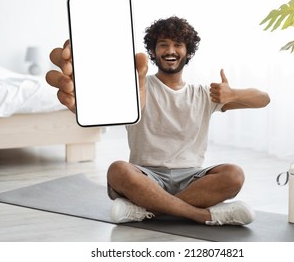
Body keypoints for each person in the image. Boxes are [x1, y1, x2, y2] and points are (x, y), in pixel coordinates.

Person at [46, 16, 270, 226]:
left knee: (234, 175)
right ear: (153, 52)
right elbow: (116, 105)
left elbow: (264, 99)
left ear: (188, 52)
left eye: (178, 44)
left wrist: (233, 95)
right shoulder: (135, 88)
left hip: (191, 177)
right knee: (118, 170)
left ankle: (147, 209)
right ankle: (202, 215)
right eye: (163, 44)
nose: (170, 50)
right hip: (145, 175)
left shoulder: (203, 94)